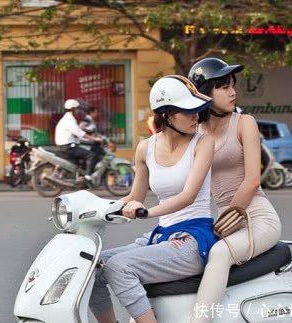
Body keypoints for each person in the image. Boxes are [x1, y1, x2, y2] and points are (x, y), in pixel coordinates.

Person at [89, 75, 216, 323]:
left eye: (197, 110)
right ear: (167, 114)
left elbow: (188, 196)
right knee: (92, 267)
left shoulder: (204, 143)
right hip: (161, 236)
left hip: (192, 240)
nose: (196, 117)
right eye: (188, 111)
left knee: (119, 267)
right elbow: (135, 197)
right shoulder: (145, 148)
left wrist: (146, 212)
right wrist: (96, 209)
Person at [187, 57, 282, 323]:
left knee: (219, 253)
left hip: (256, 217)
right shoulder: (196, 132)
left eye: (232, 85)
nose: (232, 91)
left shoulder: (244, 123)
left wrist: (233, 214)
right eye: (223, 86)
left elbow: (253, 180)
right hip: (224, 221)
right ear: (205, 92)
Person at [54, 99, 103, 182]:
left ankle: (80, 174)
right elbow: (80, 133)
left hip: (67, 145)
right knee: (92, 155)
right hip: (68, 147)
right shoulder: (70, 120)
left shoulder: (68, 118)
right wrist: (94, 139)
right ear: (72, 109)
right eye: (76, 109)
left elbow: (78, 133)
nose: (78, 111)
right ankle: (87, 178)